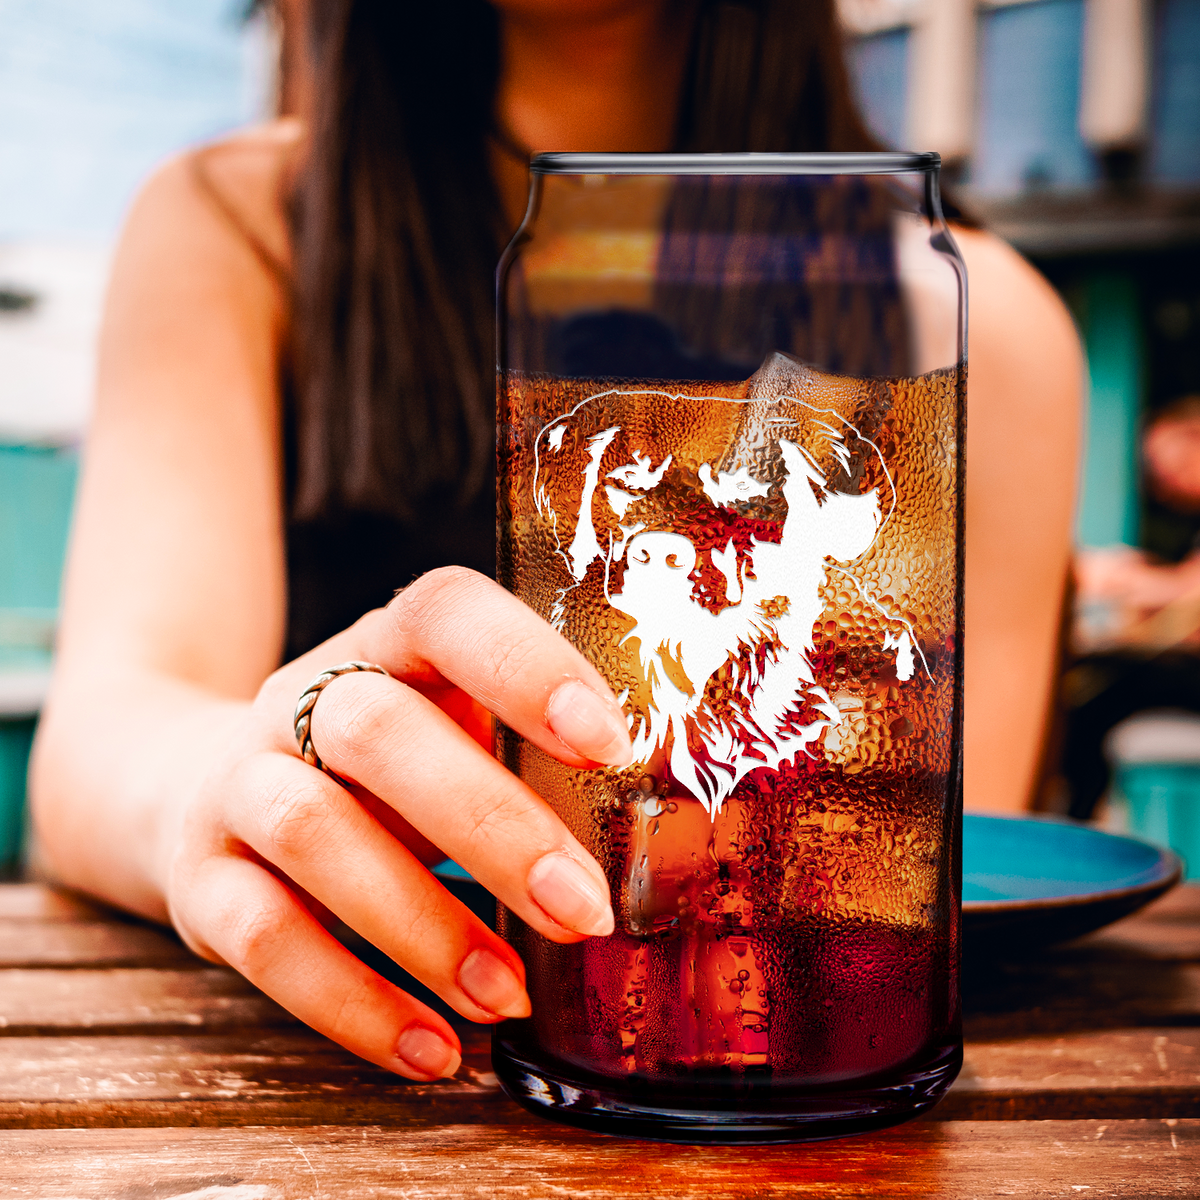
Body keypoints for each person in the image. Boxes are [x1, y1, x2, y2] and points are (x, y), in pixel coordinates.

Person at [29, 0, 1082, 1082]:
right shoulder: (238, 225)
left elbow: (924, 891)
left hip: (771, 1080)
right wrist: (236, 787)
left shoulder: (976, 323)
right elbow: (109, 731)